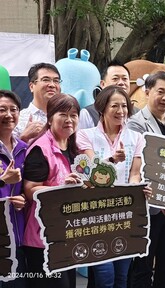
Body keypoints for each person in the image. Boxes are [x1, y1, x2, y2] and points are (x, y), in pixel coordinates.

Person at [76, 85, 147, 288]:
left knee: (122, 278)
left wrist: (138, 190)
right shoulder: (85, 135)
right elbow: (89, 171)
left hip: (125, 214)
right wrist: (111, 160)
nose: (120, 111)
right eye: (114, 105)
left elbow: (135, 174)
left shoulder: (136, 138)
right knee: (104, 275)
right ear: (102, 109)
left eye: (124, 106)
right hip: (96, 214)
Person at [127, 71, 165, 288]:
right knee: (142, 264)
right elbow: (142, 166)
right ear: (147, 91)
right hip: (148, 206)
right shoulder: (135, 124)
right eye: (161, 92)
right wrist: (162, 199)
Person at [23, 93, 81, 287]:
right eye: (63, 114)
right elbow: (30, 190)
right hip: (43, 239)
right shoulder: (41, 148)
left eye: (73, 115)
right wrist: (60, 186)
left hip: (68, 235)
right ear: (50, 118)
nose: (69, 120)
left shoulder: (74, 148)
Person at [0, 90, 27, 288]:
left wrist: (24, 197)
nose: (9, 114)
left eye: (13, 109)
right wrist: (2, 180)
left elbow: (28, 184)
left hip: (19, 233)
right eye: (2, 110)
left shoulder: (23, 149)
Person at [14, 63, 61, 143]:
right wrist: (23, 138)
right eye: (46, 80)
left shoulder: (67, 117)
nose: (52, 85)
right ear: (31, 86)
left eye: (56, 81)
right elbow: (7, 153)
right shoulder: (18, 119)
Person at [79, 61, 131, 129]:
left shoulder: (137, 114)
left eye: (125, 79)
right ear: (102, 84)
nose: (121, 83)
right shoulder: (88, 113)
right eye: (115, 79)